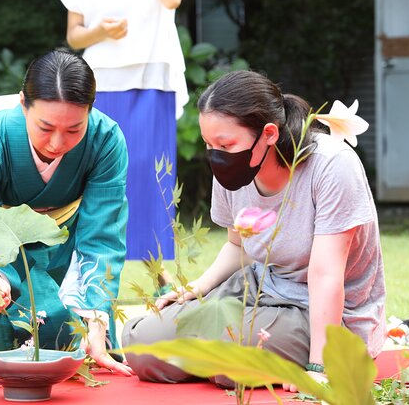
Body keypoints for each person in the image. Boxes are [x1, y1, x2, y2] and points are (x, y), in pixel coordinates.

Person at [121, 70, 386, 389]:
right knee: (141, 342)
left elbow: (326, 275)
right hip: (262, 289)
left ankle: (225, 357)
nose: (215, 155)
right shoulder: (231, 170)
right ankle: (222, 356)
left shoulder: (332, 166)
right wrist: (197, 288)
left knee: (229, 354)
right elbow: (239, 246)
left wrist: (320, 366)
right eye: (209, 144)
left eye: (225, 143)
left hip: (328, 313)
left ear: (269, 134)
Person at [0, 50, 133, 376]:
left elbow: (103, 233)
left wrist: (96, 312)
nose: (57, 143)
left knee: (83, 338)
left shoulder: (106, 139)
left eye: (74, 129)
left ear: (90, 112)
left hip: (66, 244)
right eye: (45, 126)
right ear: (23, 103)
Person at [54, 0, 193, 269]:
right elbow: (74, 36)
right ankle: (90, 269)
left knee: (152, 175)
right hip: (100, 80)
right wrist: (100, 32)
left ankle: (157, 272)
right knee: (97, 174)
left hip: (153, 77)